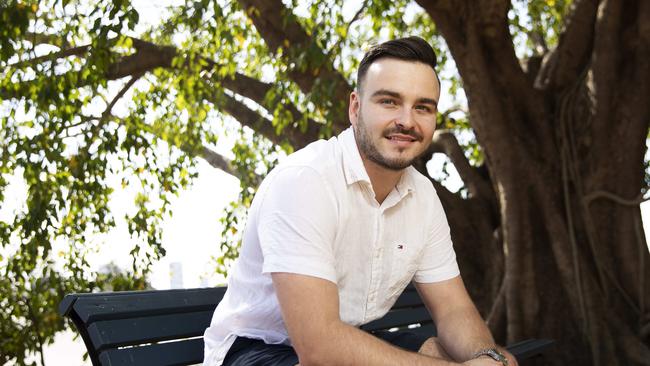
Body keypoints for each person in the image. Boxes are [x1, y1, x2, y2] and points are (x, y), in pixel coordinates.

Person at [203, 36, 517, 366]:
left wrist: (489, 357)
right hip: (255, 348)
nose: (407, 121)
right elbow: (319, 348)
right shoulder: (306, 180)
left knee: (446, 352)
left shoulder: (422, 197)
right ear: (355, 108)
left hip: (342, 336)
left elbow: (453, 308)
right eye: (389, 102)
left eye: (422, 107)